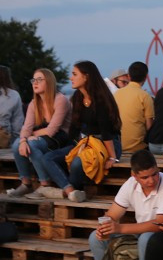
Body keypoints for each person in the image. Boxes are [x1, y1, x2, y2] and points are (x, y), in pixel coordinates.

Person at [42, 61, 121, 203]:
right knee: (49, 157)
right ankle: (70, 191)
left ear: (86, 77)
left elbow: (106, 131)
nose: (71, 78)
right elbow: (74, 127)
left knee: (77, 162)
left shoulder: (101, 99)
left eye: (74, 74)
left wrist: (112, 157)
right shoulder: (78, 97)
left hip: (107, 144)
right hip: (86, 143)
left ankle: (69, 190)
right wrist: (67, 148)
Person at [6, 68, 72, 197]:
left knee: (32, 145)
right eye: (33, 80)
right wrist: (24, 140)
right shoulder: (34, 103)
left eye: (39, 80)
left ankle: (45, 184)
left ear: (49, 82)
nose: (35, 83)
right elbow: (26, 127)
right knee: (16, 144)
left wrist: (30, 137)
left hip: (62, 139)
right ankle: (25, 183)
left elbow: (52, 130)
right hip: (45, 138)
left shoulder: (60, 100)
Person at [115, 61, 154, 155]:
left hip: (118, 146)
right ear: (145, 78)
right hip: (138, 148)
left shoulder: (117, 94)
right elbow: (149, 126)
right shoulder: (145, 96)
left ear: (129, 76)